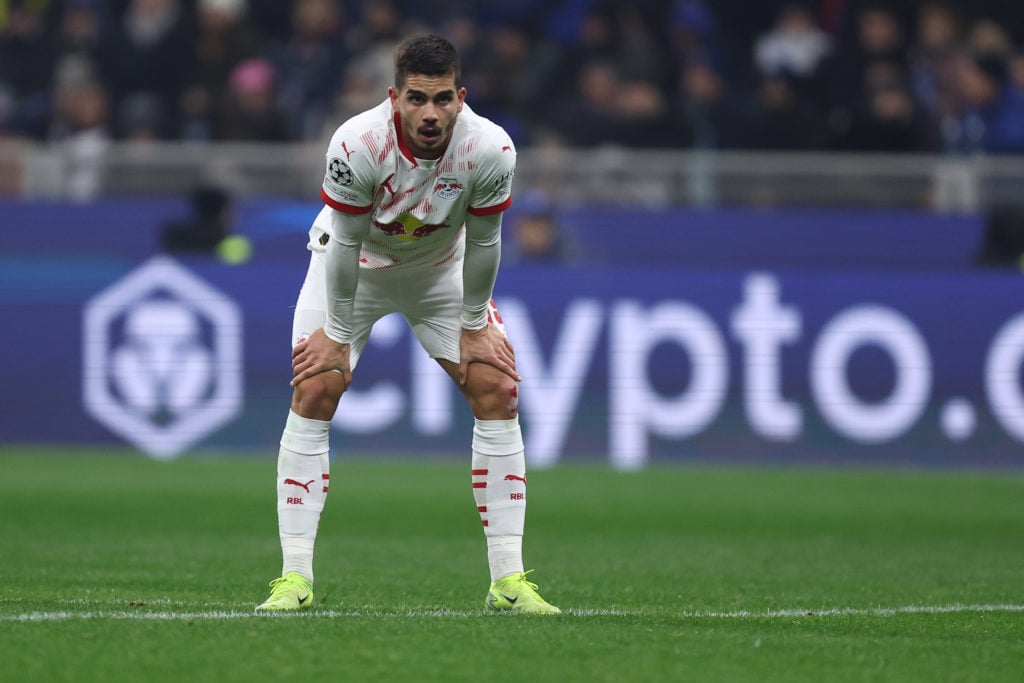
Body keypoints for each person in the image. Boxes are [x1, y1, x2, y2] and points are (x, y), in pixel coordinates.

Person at [255, 34, 561, 615]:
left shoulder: (491, 148)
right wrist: (338, 334)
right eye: (417, 99)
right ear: (395, 97)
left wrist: (474, 324)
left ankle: (509, 581)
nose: (430, 114)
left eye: (442, 100)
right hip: (355, 270)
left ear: (460, 96)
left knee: (497, 386)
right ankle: (293, 579)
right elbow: (344, 244)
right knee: (316, 387)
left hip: (439, 274)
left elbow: (488, 240)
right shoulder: (357, 142)